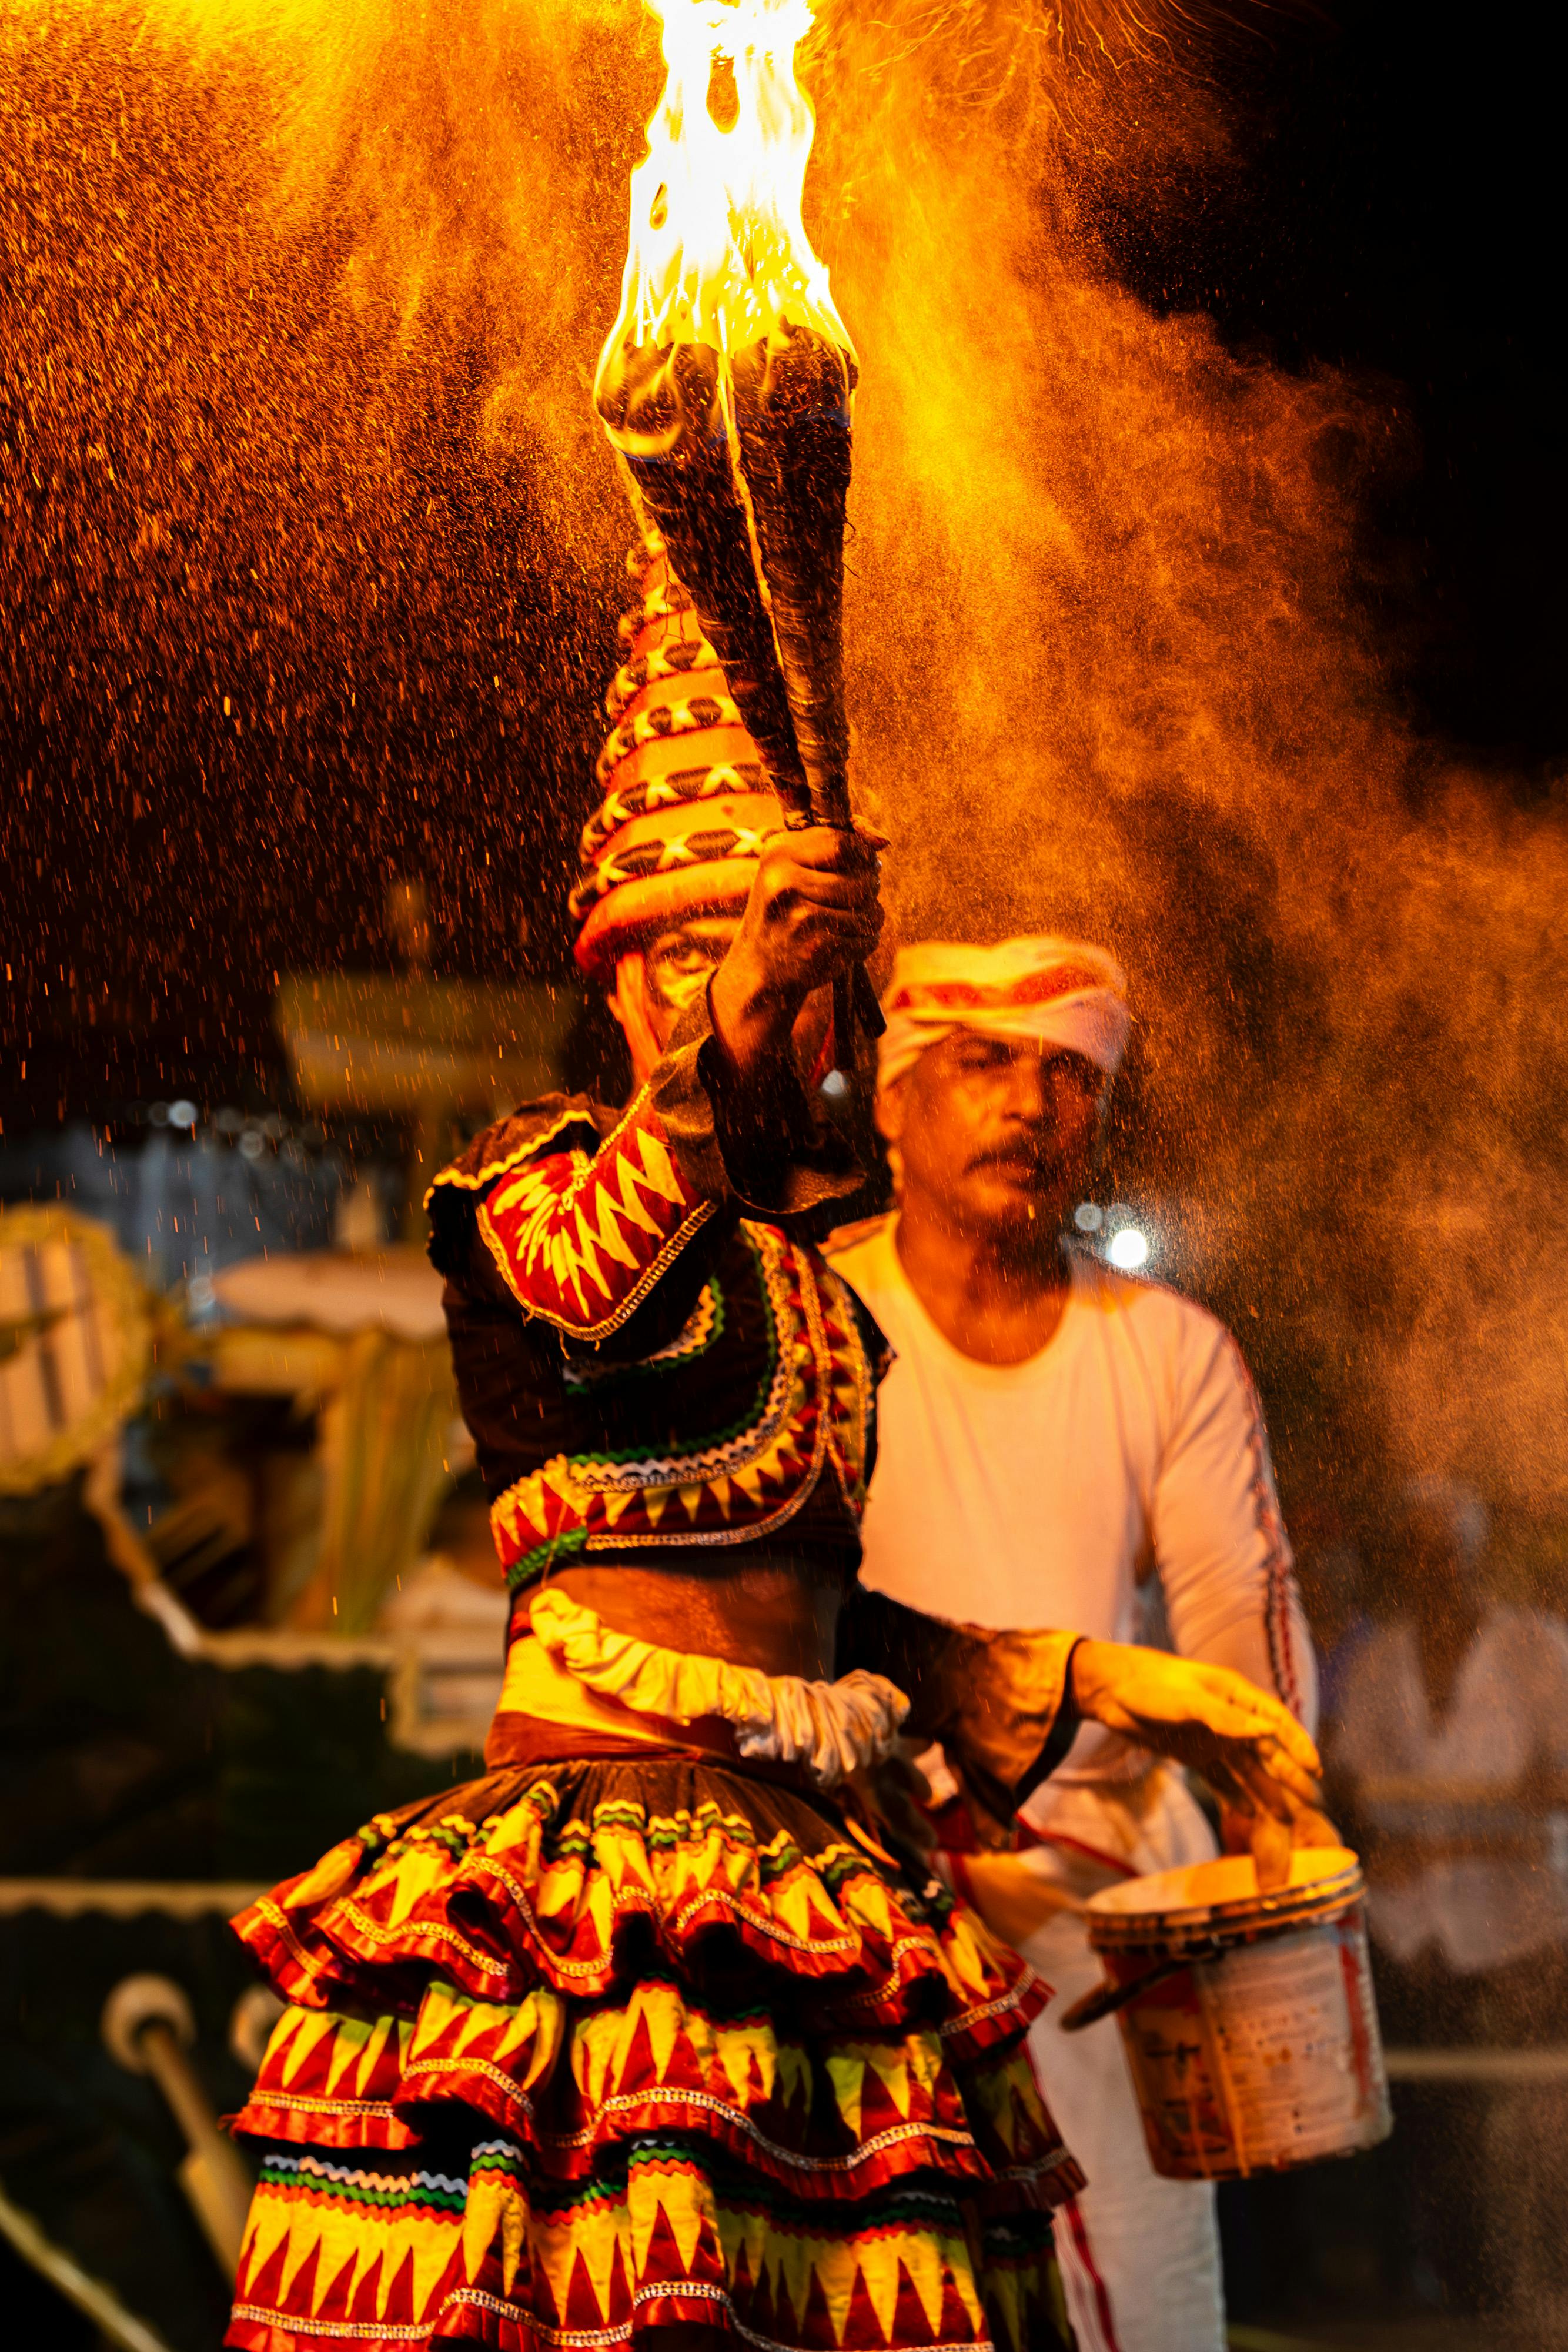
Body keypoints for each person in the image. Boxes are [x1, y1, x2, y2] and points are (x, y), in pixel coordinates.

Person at [220, 550, 1326, 2352]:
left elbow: (814, 1626)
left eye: (742, 951)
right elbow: (597, 1300)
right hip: (595, 1913)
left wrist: (1121, 1682)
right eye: (669, 951)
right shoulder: (532, 1183)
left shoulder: (815, 1282)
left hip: (813, 1890)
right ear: (614, 977)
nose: (708, 984)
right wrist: (733, 1025)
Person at [828, 936, 1322, 2352]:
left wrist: (1265, 1889)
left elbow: (1243, 1680)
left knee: (1143, 2323)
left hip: (1104, 1940)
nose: (1029, 1102)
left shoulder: (1169, 1350)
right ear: (890, 1097)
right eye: (983, 1060)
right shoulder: (807, 1318)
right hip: (850, 1917)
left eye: (1065, 1072)